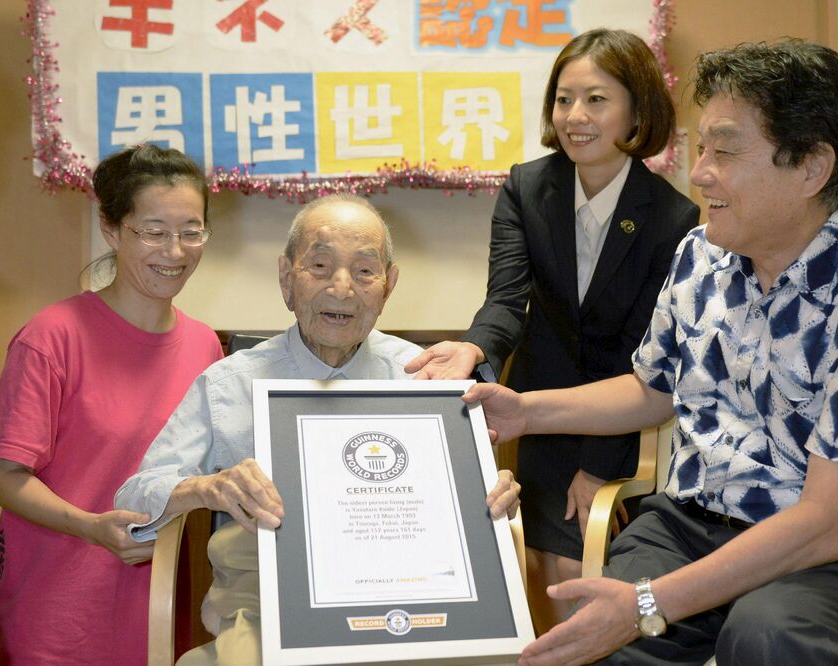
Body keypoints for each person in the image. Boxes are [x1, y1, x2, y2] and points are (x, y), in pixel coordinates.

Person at [465, 39, 838, 665]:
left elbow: (824, 520)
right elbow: (652, 388)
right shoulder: (702, 256)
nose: (700, 173)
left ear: (811, 167)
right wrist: (526, 411)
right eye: (700, 148)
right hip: (689, 523)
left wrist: (647, 602)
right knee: (592, 630)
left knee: (768, 636)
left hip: (810, 553)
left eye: (725, 150)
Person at [115, 193, 520, 666]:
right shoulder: (231, 384)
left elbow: (466, 514)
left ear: (388, 285)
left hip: (408, 608)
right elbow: (134, 498)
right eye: (320, 266)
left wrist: (491, 499)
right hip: (269, 610)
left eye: (365, 271)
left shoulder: (424, 377)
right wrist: (207, 488)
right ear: (287, 278)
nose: (342, 288)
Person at [406, 28, 698, 630]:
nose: (575, 116)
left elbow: (641, 356)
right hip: (533, 412)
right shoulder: (526, 186)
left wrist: (597, 467)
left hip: (615, 426)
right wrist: (474, 346)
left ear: (638, 110)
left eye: (596, 99)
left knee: (577, 580)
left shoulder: (673, 217)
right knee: (523, 573)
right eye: (564, 99)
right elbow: (506, 300)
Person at [0, 144, 223, 664]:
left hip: (157, 605)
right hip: (56, 606)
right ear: (112, 228)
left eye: (190, 231)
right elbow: (5, 476)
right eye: (153, 231)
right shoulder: (53, 336)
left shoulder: (206, 347)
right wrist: (90, 526)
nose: (174, 251)